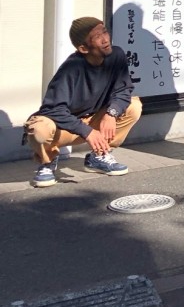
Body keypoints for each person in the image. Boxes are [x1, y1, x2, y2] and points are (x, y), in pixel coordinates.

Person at [23, 16, 142, 188]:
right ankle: (47, 162)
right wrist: (87, 131)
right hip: (63, 128)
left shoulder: (116, 55)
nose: (105, 39)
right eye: (97, 37)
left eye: (105, 32)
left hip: (94, 121)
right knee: (39, 129)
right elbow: (53, 109)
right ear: (84, 48)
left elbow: (123, 90)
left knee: (133, 106)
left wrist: (111, 113)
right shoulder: (71, 68)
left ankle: (99, 156)